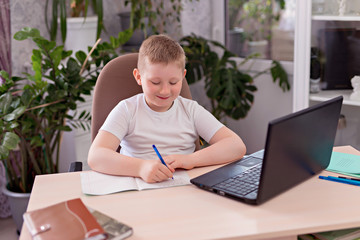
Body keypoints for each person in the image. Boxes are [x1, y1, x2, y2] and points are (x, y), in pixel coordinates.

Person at [88, 34, 246, 183]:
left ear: (183, 77)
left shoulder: (190, 110)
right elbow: (96, 156)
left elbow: (235, 145)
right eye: (155, 82)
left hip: (184, 189)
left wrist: (190, 160)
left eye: (173, 82)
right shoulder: (127, 110)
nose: (164, 91)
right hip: (138, 190)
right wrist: (140, 168)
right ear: (138, 77)